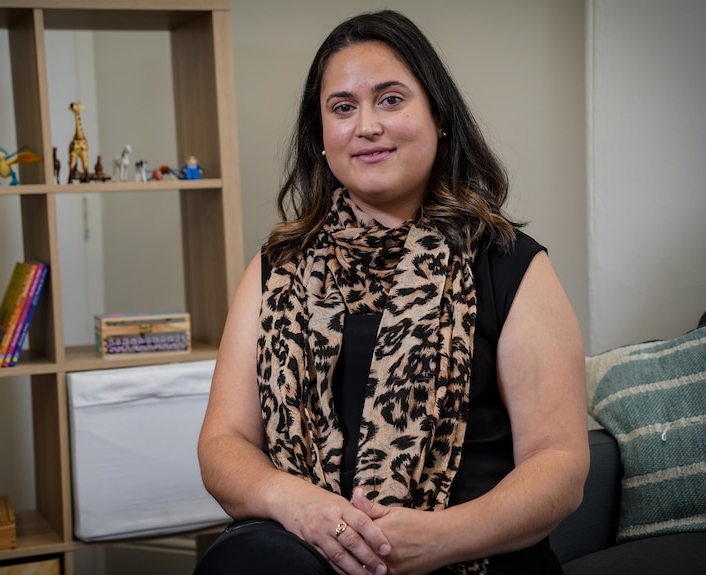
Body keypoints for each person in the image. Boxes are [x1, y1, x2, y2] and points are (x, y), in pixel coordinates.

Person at [194, 9, 588, 575]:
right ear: (321, 136)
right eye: (343, 108)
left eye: (391, 99)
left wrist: (440, 540)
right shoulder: (273, 269)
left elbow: (560, 464)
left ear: (439, 116)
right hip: (305, 556)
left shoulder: (510, 263)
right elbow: (224, 443)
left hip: (470, 561)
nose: (367, 126)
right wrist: (301, 506)